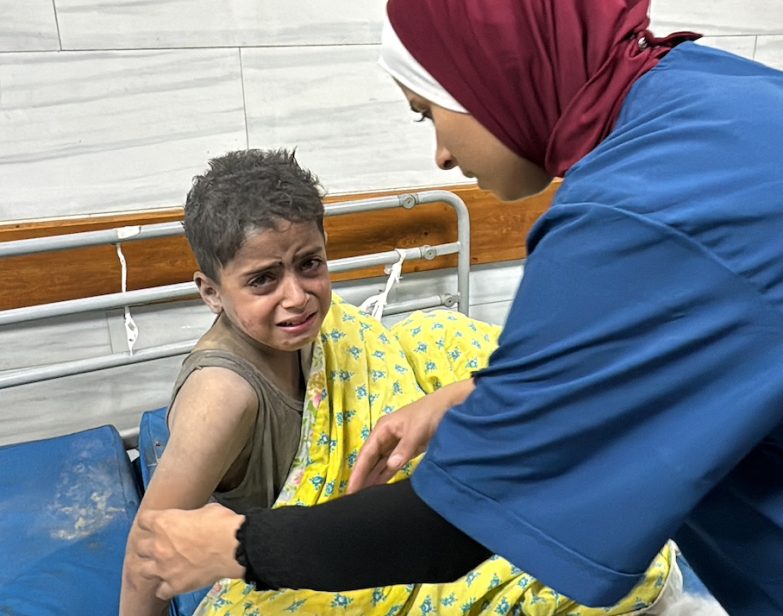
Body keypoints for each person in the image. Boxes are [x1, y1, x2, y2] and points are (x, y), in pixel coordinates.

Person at [131, 1, 783, 615]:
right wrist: (476, 394)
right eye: (263, 279)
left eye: (427, 113)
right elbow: (679, 332)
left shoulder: (629, 215)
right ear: (210, 289)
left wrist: (235, 546)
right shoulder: (711, 92)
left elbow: (463, 521)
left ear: (493, 72)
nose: (440, 153)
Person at [120, 148, 333, 615]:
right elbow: (148, 549)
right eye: (263, 280)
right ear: (211, 293)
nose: (297, 297)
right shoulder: (223, 395)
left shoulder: (325, 338)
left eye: (310, 264)